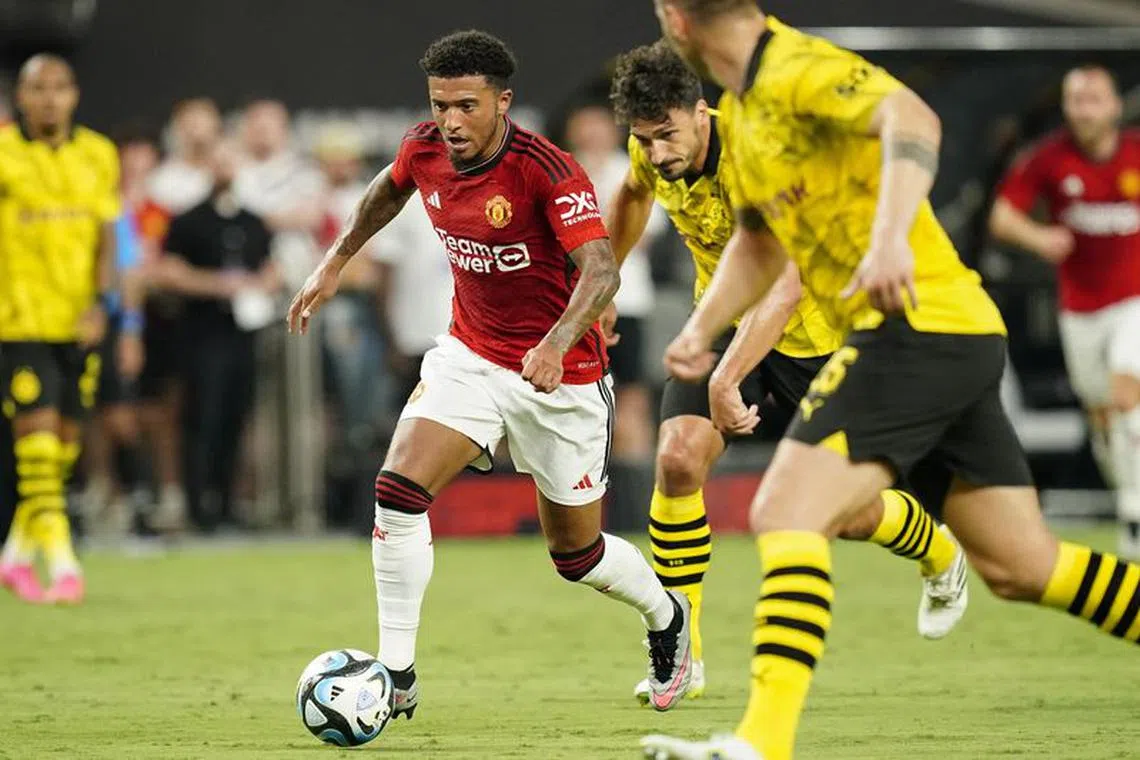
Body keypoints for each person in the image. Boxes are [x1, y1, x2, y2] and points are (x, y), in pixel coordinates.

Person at [640, 4, 1140, 760]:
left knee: (786, 510)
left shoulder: (797, 69)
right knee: (1022, 565)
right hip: (944, 332)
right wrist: (699, 332)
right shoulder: (748, 110)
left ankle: (760, 743)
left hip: (917, 323)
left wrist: (886, 241)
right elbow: (758, 241)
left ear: (675, 18)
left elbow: (914, 118)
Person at [288, 29, 694, 718]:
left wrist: (558, 341)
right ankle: (397, 673)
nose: (450, 122)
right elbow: (389, 191)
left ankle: (667, 617)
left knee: (577, 556)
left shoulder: (548, 170)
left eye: (466, 106)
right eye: (440, 104)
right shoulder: (424, 148)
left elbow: (600, 269)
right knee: (396, 490)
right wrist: (335, 261)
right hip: (470, 355)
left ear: (503, 102)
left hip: (560, 380)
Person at [607, 41, 968, 706]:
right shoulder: (648, 153)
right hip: (721, 325)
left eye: (667, 136)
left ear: (702, 110)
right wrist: (605, 283)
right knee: (679, 461)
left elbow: (786, 286)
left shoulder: (760, 152)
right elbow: (632, 195)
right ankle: (681, 647)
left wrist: (725, 377)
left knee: (850, 514)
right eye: (644, 139)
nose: (657, 153)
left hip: (819, 335)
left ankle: (940, 553)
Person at [989, 66, 1140, 559]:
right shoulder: (1048, 159)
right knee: (1103, 422)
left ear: (1115, 106)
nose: (1084, 108)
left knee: (1127, 398)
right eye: (1076, 99)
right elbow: (1002, 216)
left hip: (1134, 306)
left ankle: (1135, 518)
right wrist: (1040, 238)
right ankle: (1127, 499)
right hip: (1080, 312)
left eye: (1094, 98)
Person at [0, 54, 120, 604]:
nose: (49, 99)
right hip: (16, 324)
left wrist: (101, 303)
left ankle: (15, 558)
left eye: (59, 88)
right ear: (20, 97)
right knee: (39, 450)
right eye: (37, 89)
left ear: (73, 95)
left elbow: (104, 237)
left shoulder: (98, 154)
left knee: (62, 452)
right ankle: (65, 565)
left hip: (79, 322)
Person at [161, 140, 281, 533]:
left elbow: (271, 269)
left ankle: (228, 502)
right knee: (202, 418)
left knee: (235, 416)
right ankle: (199, 505)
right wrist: (220, 285)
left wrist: (260, 283)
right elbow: (171, 273)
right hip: (201, 335)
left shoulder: (253, 221)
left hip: (243, 335)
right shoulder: (188, 221)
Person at [142, 97, 223, 530]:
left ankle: (221, 497)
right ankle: (172, 494)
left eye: (205, 124)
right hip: (173, 313)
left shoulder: (232, 175)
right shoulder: (163, 182)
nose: (198, 133)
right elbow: (156, 253)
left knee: (222, 408)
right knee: (170, 407)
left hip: (223, 317)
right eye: (189, 124)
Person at [565, 101, 662, 463]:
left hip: (629, 302)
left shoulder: (634, 171)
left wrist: (584, 232)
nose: (591, 134)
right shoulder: (560, 172)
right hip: (570, 304)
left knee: (632, 396)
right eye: (583, 126)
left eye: (598, 126)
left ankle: (636, 492)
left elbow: (641, 235)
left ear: (614, 131)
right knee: (567, 398)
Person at [84, 132, 153, 536]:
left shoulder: (114, 212)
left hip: (108, 324)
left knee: (120, 418)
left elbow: (129, 275)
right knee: (83, 419)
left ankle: (139, 499)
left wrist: (130, 331)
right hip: (68, 321)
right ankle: (99, 496)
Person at [370, 189, 454, 411]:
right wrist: (391, 335)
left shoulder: (479, 194)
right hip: (415, 337)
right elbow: (384, 273)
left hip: (463, 340)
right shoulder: (401, 201)